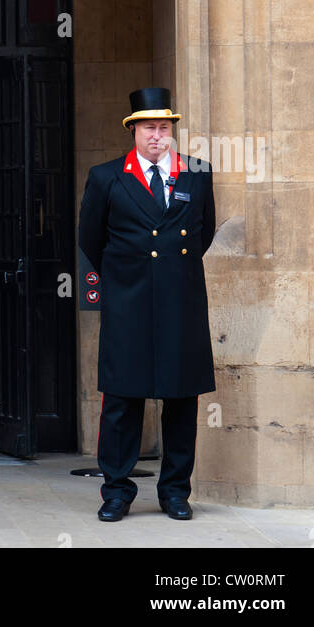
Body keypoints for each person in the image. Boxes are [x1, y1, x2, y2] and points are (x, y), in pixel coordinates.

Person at [77, 87, 216, 521]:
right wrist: (127, 278)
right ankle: (116, 491)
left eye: (164, 127)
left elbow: (204, 233)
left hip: (180, 303)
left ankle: (175, 491)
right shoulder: (106, 177)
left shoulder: (197, 172)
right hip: (129, 303)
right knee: (122, 400)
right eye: (149, 127)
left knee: (180, 399)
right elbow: (90, 239)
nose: (157, 135)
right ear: (133, 130)